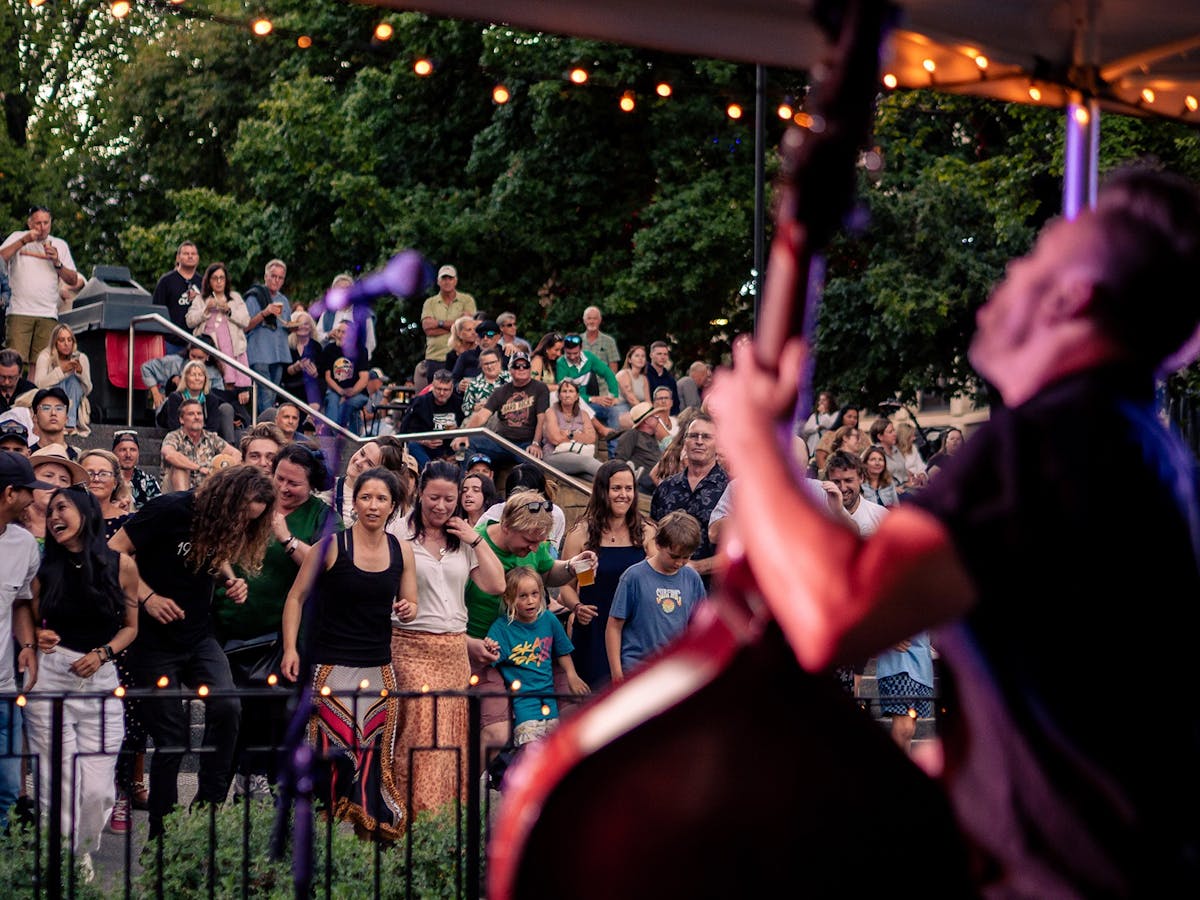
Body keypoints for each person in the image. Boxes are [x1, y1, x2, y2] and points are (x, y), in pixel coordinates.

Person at [709, 167, 1200, 896]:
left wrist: (753, 440)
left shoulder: (1049, 444)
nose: (1009, 267)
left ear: (1072, 299)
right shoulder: (1134, 443)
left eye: (1036, 256)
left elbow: (837, 613)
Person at [108, 465, 273, 838]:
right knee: (171, 739)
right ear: (226, 500)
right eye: (241, 517)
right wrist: (147, 598)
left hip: (199, 637)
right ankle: (160, 833)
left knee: (229, 707)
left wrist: (230, 579)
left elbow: (213, 552)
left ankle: (206, 814)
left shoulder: (223, 524)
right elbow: (114, 553)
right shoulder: (169, 509)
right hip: (152, 641)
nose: (241, 527)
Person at [281, 466, 417, 839]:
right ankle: (313, 841)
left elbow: (411, 602)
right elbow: (296, 597)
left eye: (382, 499)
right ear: (354, 501)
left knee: (375, 760)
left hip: (379, 667)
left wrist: (407, 608)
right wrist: (291, 649)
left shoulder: (401, 548)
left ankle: (368, 840)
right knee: (329, 756)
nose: (373, 506)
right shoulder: (330, 546)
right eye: (365, 497)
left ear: (394, 505)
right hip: (331, 668)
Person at [26, 488, 137, 868]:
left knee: (98, 789)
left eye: (63, 508)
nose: (54, 516)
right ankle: (63, 859)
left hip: (101, 679)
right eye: (50, 510)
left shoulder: (121, 565)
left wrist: (104, 653)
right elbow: (27, 615)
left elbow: (131, 627)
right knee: (57, 780)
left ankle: (81, 847)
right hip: (52, 676)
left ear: (87, 513)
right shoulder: (44, 567)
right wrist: (37, 636)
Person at [217, 443, 332, 798]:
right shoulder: (251, 497)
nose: (283, 487)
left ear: (311, 486)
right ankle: (222, 787)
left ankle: (257, 779)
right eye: (279, 478)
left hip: (278, 635)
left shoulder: (320, 515)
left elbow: (325, 568)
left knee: (271, 709)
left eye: (293, 483)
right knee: (229, 711)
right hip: (229, 625)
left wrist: (285, 537)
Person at [392, 460, 504, 815]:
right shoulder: (398, 532)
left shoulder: (464, 538)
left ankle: (443, 822)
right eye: (434, 497)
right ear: (419, 493)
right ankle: (407, 817)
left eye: (449, 499)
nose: (441, 506)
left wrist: (476, 539)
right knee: (421, 733)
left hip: (454, 648)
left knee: (451, 736)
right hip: (410, 645)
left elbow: (496, 584)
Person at [465, 491, 598, 752]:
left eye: (540, 542)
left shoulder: (534, 549)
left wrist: (572, 566)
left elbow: (547, 570)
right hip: (485, 649)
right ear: (506, 526)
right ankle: (467, 790)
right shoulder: (476, 543)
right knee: (496, 733)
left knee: (572, 712)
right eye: (529, 541)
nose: (535, 549)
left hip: (531, 645)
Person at [558, 460, 657, 689]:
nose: (624, 495)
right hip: (593, 626)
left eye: (629, 488)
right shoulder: (581, 534)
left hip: (635, 627)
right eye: (616, 488)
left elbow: (658, 578)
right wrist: (576, 607)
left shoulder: (646, 532)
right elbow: (566, 584)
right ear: (602, 491)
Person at [487, 567, 589, 746]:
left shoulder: (548, 619)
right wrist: (490, 648)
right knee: (531, 750)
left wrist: (572, 675)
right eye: (523, 596)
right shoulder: (502, 628)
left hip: (550, 701)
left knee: (555, 748)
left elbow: (562, 650)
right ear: (508, 598)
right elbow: (492, 658)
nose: (530, 601)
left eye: (535, 594)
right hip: (524, 704)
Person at [605, 510, 706, 682]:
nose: (679, 563)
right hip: (637, 671)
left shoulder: (692, 578)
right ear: (658, 544)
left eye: (686, 557)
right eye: (674, 556)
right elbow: (614, 627)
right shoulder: (633, 576)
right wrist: (617, 674)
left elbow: (700, 625)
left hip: (676, 672)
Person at [0, 454, 46, 827]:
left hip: (2, 688)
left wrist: (28, 646)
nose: (34, 499)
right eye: (28, 491)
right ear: (9, 492)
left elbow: (20, 602)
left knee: (7, 790)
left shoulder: (24, 544)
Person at [649, 413, 728, 585]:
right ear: (685, 441)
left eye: (706, 437)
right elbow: (652, 536)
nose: (699, 441)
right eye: (693, 436)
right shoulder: (666, 487)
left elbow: (741, 550)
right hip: (665, 584)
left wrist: (698, 567)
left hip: (711, 588)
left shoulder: (731, 491)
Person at [0, 206, 79, 365]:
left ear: (51, 222)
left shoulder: (59, 244)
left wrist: (57, 262)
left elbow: (73, 280)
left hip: (48, 313)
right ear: (29, 223)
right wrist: (24, 241)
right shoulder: (18, 237)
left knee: (41, 364)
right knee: (13, 362)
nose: (42, 228)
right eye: (37, 223)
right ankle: (16, 391)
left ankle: (35, 391)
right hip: (19, 311)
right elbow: (1, 257)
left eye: (46, 222)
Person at [464, 351, 550, 466]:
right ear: (510, 369)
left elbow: (542, 419)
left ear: (530, 369)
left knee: (534, 464)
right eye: (516, 366)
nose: (521, 369)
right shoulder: (500, 391)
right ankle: (470, 480)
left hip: (526, 443)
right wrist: (463, 435)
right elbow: (482, 415)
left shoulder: (540, 388)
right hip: (501, 442)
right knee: (467, 443)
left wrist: (536, 443)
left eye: (525, 366)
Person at [186, 262, 251, 408]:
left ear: (226, 280)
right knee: (211, 388)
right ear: (209, 281)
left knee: (231, 389)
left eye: (222, 278)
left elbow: (246, 321)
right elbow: (189, 321)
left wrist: (229, 310)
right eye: (215, 278)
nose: (219, 281)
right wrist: (206, 310)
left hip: (232, 352)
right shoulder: (200, 299)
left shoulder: (235, 298)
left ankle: (230, 417)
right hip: (209, 355)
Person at [326, 436, 416, 536]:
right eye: (362, 453)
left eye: (369, 463)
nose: (359, 462)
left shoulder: (390, 507)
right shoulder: (325, 487)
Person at [242, 259, 293, 413]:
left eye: (280, 277)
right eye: (273, 276)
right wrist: (265, 312)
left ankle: (262, 426)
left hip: (279, 353)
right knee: (266, 393)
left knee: (272, 394)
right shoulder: (254, 296)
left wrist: (296, 326)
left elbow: (287, 325)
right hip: (259, 353)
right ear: (265, 277)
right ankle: (269, 429)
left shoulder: (283, 300)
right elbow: (245, 326)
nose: (276, 280)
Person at [160, 397, 238, 492]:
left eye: (199, 413)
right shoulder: (173, 436)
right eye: (191, 414)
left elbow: (236, 454)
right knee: (180, 469)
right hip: (174, 494)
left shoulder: (211, 438)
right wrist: (199, 468)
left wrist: (224, 470)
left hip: (203, 491)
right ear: (181, 419)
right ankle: (183, 505)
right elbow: (170, 455)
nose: (197, 417)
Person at [555, 333, 620, 439]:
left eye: (575, 353)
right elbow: (565, 393)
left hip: (587, 404)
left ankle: (615, 452)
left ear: (581, 348)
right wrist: (591, 398)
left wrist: (614, 395)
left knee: (612, 411)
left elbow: (608, 373)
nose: (572, 357)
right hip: (572, 405)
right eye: (568, 353)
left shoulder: (589, 358)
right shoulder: (561, 363)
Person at [33, 323, 92, 436]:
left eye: (70, 340)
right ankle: (61, 422)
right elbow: (39, 384)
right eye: (62, 340)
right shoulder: (45, 357)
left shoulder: (81, 357)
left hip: (75, 399)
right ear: (55, 343)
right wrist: (61, 371)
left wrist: (80, 373)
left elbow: (88, 390)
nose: (66, 344)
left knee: (73, 381)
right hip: (49, 399)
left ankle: (69, 424)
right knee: (61, 382)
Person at [421, 265, 477, 382]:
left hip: (461, 355)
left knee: (459, 392)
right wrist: (457, 326)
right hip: (436, 357)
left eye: (450, 278)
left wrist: (438, 323)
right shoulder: (430, 302)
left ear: (455, 281)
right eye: (444, 278)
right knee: (436, 394)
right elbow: (427, 328)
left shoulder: (467, 300)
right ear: (438, 281)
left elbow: (468, 325)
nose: (447, 282)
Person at [400, 368, 463, 470]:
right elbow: (405, 431)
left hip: (452, 450)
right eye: (438, 389)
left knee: (465, 445)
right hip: (426, 450)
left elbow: (466, 433)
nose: (442, 393)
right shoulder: (419, 403)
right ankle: (431, 472)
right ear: (432, 387)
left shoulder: (459, 404)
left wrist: (458, 457)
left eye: (446, 390)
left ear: (452, 388)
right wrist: (424, 441)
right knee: (413, 445)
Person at [541, 379, 602, 479]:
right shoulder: (551, 412)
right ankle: (621, 473)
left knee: (594, 479)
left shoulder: (583, 414)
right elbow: (555, 439)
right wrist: (580, 435)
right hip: (554, 455)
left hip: (577, 455)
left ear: (577, 396)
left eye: (571, 391)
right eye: (564, 391)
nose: (567, 395)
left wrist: (570, 434)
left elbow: (591, 438)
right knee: (586, 461)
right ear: (559, 396)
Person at [150, 241, 202, 351]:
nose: (190, 256)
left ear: (198, 258)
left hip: (198, 343)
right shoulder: (166, 281)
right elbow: (157, 312)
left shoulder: (203, 282)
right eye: (186, 253)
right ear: (178, 258)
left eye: (193, 254)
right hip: (171, 342)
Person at [320, 321, 370, 434]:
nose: (340, 335)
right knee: (332, 400)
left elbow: (364, 379)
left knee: (347, 405)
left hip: (357, 392)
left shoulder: (361, 350)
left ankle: (349, 438)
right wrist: (341, 392)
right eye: (338, 331)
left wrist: (349, 394)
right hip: (335, 390)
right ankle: (331, 436)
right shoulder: (329, 349)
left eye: (344, 332)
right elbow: (328, 377)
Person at [79, 449, 132, 539]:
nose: (96, 479)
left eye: (103, 474)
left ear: (115, 482)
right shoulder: (68, 519)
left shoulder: (129, 522)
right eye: (89, 473)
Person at [615, 402, 666, 493]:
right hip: (642, 482)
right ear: (646, 420)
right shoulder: (632, 434)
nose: (658, 418)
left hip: (658, 480)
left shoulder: (654, 438)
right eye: (655, 416)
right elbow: (620, 460)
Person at [112, 430, 161, 512]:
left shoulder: (148, 480)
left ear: (138, 454)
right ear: (113, 454)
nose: (128, 455)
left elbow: (158, 509)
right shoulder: (106, 479)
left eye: (133, 450)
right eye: (123, 450)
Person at [281, 309, 322, 408]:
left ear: (311, 327)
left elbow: (322, 371)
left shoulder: (316, 347)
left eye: (306, 324)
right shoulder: (287, 345)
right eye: (299, 323)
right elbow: (282, 374)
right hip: (291, 387)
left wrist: (315, 372)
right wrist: (296, 367)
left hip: (310, 388)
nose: (302, 327)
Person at [459, 347, 511, 419]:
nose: (489, 366)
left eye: (492, 362)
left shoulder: (511, 378)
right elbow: (465, 408)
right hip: (484, 421)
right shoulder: (473, 384)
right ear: (481, 365)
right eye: (486, 364)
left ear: (499, 362)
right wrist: (474, 407)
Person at [31, 386, 81, 460]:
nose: (53, 413)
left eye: (59, 408)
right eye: (46, 408)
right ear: (35, 418)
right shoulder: (29, 455)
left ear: (66, 419)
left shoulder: (77, 458)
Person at [451, 319, 505, 387]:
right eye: (482, 335)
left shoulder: (507, 355)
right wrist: (458, 386)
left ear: (499, 336)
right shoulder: (466, 356)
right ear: (477, 338)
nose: (485, 338)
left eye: (490, 334)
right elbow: (453, 379)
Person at [614, 344, 649, 419]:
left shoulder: (644, 379)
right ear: (629, 360)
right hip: (619, 408)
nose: (640, 358)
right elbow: (631, 399)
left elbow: (648, 401)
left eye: (643, 356)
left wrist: (653, 413)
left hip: (636, 409)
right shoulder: (623, 374)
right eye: (637, 356)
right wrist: (646, 413)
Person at [581, 306, 619, 372]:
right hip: (580, 381)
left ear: (600, 320)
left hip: (602, 382)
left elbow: (613, 367)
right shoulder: (577, 340)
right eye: (589, 318)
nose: (592, 321)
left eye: (595, 318)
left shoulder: (609, 341)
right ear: (584, 320)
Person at [645, 340, 679, 414]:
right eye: (659, 354)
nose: (663, 357)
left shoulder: (670, 379)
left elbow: (675, 403)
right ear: (651, 355)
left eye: (665, 354)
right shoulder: (644, 375)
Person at [0, 349, 36, 414]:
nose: (6, 382)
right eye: (2, 377)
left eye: (11, 377)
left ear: (20, 374)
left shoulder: (30, 390)